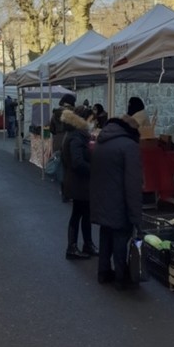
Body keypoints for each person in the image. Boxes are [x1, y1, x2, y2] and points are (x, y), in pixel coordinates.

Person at [90, 115, 143, 290]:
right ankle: (121, 277)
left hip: (102, 199)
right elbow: (133, 183)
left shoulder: (102, 141)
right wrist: (136, 214)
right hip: (120, 202)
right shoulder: (130, 147)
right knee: (121, 239)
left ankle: (103, 272)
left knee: (105, 235)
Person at [61, 106, 98, 260]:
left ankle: (87, 244)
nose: (93, 122)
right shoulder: (76, 136)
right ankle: (73, 247)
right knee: (78, 214)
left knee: (84, 214)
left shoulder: (75, 133)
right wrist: (94, 169)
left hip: (78, 182)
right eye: (91, 119)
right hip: (79, 182)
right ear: (83, 119)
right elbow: (77, 162)